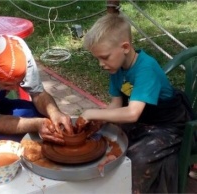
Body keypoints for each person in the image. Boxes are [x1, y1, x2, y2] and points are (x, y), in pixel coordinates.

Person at [77, 13, 193, 193]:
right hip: (143, 119)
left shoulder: (146, 68)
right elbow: (116, 105)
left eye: (105, 57)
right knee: (104, 141)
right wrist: (97, 123)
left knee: (136, 158)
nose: (101, 64)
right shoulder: (116, 69)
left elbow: (132, 113)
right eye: (97, 59)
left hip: (168, 124)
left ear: (125, 47)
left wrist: (91, 113)